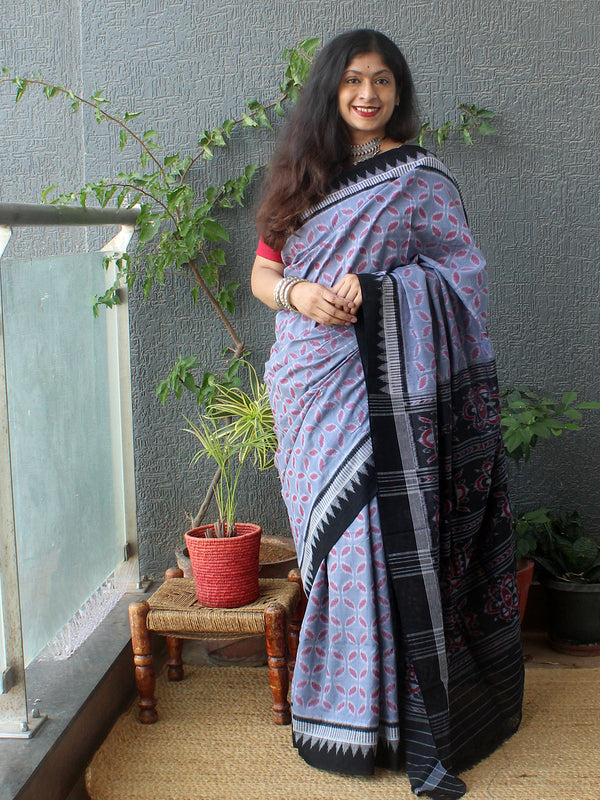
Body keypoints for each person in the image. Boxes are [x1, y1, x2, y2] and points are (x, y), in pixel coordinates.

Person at [251, 29, 523, 799]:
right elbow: (264, 276)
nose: (367, 94)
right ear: (330, 90)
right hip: (311, 383)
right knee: (335, 548)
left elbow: (462, 274)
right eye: (352, 80)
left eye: (381, 81)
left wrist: (383, 290)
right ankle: (346, 716)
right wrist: (302, 294)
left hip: (386, 385)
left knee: (375, 540)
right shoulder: (301, 173)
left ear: (397, 92)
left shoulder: (420, 178)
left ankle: (398, 723)